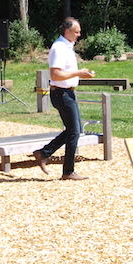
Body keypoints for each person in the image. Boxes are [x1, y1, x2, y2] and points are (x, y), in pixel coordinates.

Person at [33, 17, 95, 180]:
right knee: (74, 131)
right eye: (76, 32)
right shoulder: (59, 47)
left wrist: (81, 74)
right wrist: (79, 73)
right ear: (67, 31)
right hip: (61, 93)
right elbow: (55, 75)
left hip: (67, 93)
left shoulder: (67, 47)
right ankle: (67, 171)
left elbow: (64, 73)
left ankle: (44, 153)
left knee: (74, 130)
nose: (79, 35)